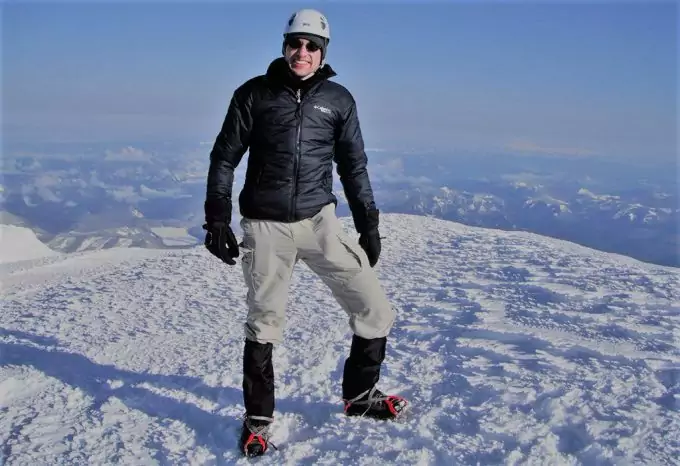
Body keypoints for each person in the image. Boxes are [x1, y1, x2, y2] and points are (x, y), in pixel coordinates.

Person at [202, 8, 407, 457]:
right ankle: (258, 420)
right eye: (296, 43)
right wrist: (216, 218)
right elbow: (224, 158)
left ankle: (359, 396)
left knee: (374, 307)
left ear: (323, 53)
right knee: (264, 322)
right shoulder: (253, 95)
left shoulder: (338, 100)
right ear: (284, 46)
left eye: (312, 46)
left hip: (320, 224)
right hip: (266, 226)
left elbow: (354, 166)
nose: (303, 51)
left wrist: (369, 225)